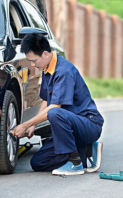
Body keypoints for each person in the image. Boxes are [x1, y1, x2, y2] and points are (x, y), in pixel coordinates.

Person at [11, 33, 104, 175]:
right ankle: (85, 151)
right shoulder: (47, 68)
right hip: (70, 128)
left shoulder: (64, 71)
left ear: (46, 54)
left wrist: (25, 125)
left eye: (34, 60)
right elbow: (47, 100)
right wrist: (33, 125)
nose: (32, 65)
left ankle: (75, 163)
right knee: (38, 162)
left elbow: (54, 108)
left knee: (54, 113)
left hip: (88, 124)